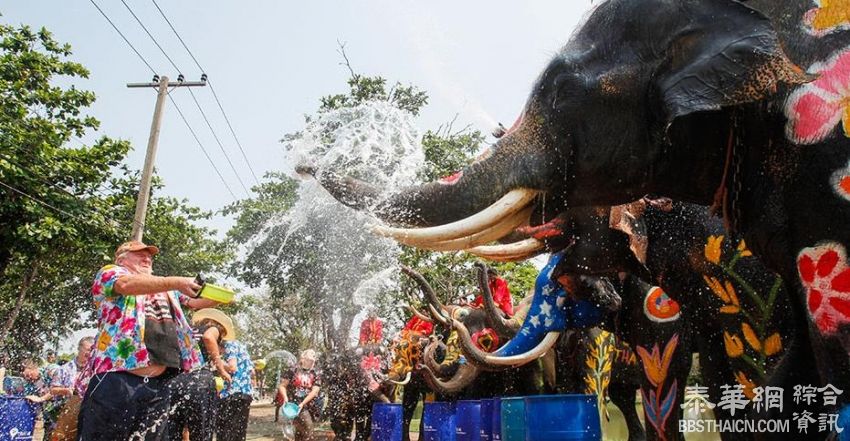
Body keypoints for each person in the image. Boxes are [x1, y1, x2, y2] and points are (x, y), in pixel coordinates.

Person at [76, 240, 221, 441]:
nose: (147, 258)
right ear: (121, 259)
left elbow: (195, 301)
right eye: (139, 254)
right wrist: (177, 281)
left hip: (158, 386)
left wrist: (218, 296)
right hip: (116, 380)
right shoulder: (110, 273)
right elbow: (126, 285)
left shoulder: (168, 291)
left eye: (149, 256)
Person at [167, 308, 235, 441]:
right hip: (199, 382)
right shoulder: (213, 328)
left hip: (175, 379)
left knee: (172, 432)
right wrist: (221, 368)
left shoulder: (187, 328)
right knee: (202, 431)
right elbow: (208, 337)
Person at [46, 336, 93, 441]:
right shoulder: (65, 369)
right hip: (64, 412)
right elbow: (53, 389)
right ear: (79, 348)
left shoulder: (94, 369)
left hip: (86, 414)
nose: (89, 353)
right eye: (87, 349)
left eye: (92, 350)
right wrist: (67, 390)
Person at [216, 337, 254, 441]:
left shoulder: (229, 345)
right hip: (245, 394)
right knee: (239, 433)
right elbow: (252, 372)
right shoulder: (241, 346)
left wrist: (216, 360)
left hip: (232, 394)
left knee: (226, 433)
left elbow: (232, 367)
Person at [279, 350, 322, 441]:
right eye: (310, 359)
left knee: (303, 433)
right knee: (307, 431)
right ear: (303, 359)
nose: (312, 361)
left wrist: (303, 403)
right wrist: (285, 398)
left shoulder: (316, 373)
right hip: (292, 407)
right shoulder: (293, 370)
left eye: (314, 359)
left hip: (307, 406)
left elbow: (314, 391)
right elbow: (282, 386)